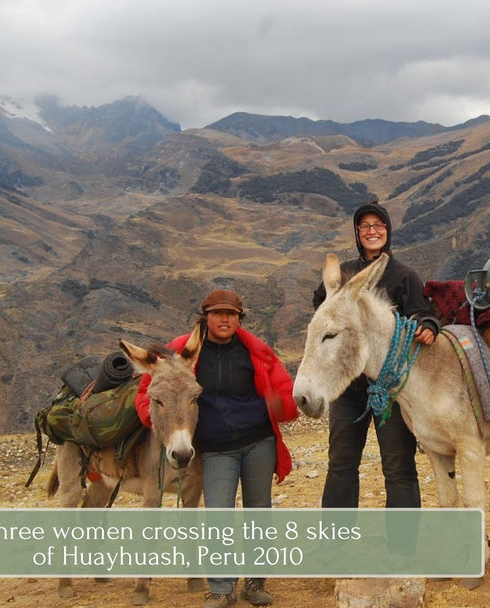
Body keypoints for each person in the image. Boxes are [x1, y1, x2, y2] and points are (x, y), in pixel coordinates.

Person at [135, 289, 300, 607]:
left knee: (258, 512)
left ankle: (255, 582)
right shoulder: (181, 351)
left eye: (231, 314)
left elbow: (285, 391)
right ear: (205, 317)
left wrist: (282, 404)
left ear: (240, 318)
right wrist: (152, 418)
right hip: (215, 449)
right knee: (218, 515)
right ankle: (222, 588)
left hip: (258, 442)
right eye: (217, 313)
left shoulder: (256, 351)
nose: (224, 319)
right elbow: (147, 392)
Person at [312, 201, 439, 513]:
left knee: (398, 466)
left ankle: (401, 550)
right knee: (341, 462)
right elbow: (322, 304)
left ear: (387, 230)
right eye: (365, 226)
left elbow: (423, 313)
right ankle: (337, 541)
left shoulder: (404, 276)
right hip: (348, 387)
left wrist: (429, 326)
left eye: (378, 225)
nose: (372, 231)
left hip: (392, 390)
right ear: (358, 232)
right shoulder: (345, 274)